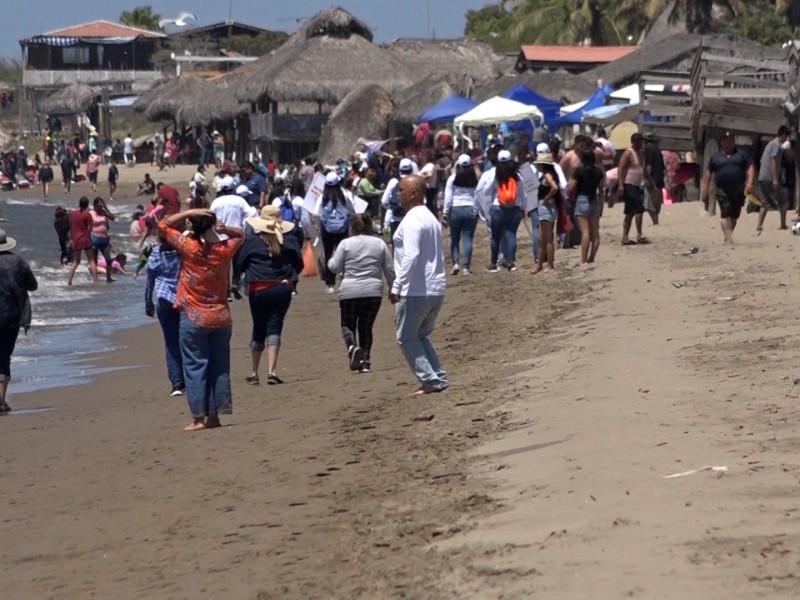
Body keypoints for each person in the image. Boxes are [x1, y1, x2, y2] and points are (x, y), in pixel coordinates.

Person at [159, 208, 244, 431]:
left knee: (196, 366)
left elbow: (163, 225)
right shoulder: (223, 250)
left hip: (194, 316)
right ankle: (215, 416)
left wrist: (190, 211)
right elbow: (241, 235)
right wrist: (225, 229)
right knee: (219, 367)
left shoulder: (190, 248)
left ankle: (199, 418)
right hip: (221, 316)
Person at [390, 174, 447, 395]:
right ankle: (437, 376)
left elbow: (411, 255)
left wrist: (398, 286)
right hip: (435, 287)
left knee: (406, 336)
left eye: (401, 190)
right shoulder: (430, 217)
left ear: (413, 193)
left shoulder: (413, 219)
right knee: (420, 335)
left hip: (417, 289)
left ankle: (430, 380)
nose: (399, 195)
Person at [237, 205, 303, 385]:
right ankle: (272, 371)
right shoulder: (289, 240)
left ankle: (254, 372)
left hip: (258, 288)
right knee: (275, 325)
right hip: (282, 287)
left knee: (258, 327)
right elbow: (299, 264)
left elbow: (241, 263)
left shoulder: (251, 241)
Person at [328, 213, 395, 373]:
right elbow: (390, 269)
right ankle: (365, 361)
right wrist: (393, 288)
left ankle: (352, 347)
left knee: (347, 324)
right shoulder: (379, 244)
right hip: (373, 291)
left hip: (349, 290)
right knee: (366, 327)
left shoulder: (345, 244)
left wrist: (330, 259)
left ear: (351, 227)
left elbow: (334, 267)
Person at [0, 229, 37, 413]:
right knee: (4, 356)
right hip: (11, 317)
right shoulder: (19, 262)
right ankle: (1, 399)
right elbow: (33, 285)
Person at [145, 229, 185, 396]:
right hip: (184, 299)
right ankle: (192, 379)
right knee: (188, 340)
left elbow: (149, 281)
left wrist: (148, 303)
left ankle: (177, 384)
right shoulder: (184, 253)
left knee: (171, 341)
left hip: (163, 300)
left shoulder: (155, 254)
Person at [701, 131, 756, 244]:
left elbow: (750, 167)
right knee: (725, 212)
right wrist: (705, 190)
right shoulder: (715, 157)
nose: (729, 142)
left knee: (734, 215)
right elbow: (708, 174)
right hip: (722, 189)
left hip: (738, 189)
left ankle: (728, 235)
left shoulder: (741, 154)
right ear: (721, 142)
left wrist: (750, 182)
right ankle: (728, 238)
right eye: (726, 140)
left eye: (731, 140)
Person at [210, 178, 258, 298]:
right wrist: (243, 225)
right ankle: (235, 283)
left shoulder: (216, 202)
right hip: (236, 236)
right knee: (237, 262)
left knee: (224, 264)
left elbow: (210, 217)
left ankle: (226, 291)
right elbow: (250, 213)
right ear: (233, 188)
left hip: (220, 237)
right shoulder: (239, 200)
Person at [483, 149, 526, 272]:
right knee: (511, 234)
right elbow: (523, 195)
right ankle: (511, 262)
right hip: (515, 208)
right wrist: (524, 208)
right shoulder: (517, 177)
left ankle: (493, 264)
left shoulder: (495, 175)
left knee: (495, 237)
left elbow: (486, 191)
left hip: (498, 208)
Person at [316, 172, 354, 293]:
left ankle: (330, 283)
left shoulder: (322, 197)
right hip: (342, 229)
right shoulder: (344, 195)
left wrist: (320, 225)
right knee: (342, 253)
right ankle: (343, 278)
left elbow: (316, 213)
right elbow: (352, 210)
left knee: (328, 254)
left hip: (326, 230)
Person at [442, 153, 479, 275]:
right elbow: (477, 197)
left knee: (454, 238)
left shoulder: (452, 179)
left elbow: (448, 198)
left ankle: (456, 263)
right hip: (469, 210)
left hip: (456, 211)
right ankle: (466, 268)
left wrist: (445, 213)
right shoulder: (474, 179)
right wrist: (477, 211)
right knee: (467, 238)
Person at [569, 149, 606, 265]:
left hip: (582, 199)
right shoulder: (599, 171)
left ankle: (583, 260)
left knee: (585, 232)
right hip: (594, 200)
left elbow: (571, 188)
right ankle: (592, 258)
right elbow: (601, 190)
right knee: (595, 232)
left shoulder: (579, 171)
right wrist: (601, 206)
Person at [756, 125, 790, 233]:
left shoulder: (769, 144)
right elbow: (773, 161)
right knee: (783, 200)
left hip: (762, 177)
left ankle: (759, 225)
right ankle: (783, 225)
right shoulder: (776, 145)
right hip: (769, 178)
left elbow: (761, 161)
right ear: (783, 135)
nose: (787, 139)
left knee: (765, 202)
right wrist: (775, 179)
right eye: (787, 137)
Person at [619, 133, 648, 246]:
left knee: (635, 211)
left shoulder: (641, 154)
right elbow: (620, 169)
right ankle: (630, 235)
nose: (641, 144)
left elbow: (643, 170)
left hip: (638, 185)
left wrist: (650, 183)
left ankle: (635, 235)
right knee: (634, 211)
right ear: (635, 142)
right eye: (640, 141)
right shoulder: (628, 153)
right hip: (629, 185)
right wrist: (621, 185)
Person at [534, 151, 560, 273]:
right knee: (541, 239)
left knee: (547, 239)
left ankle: (550, 265)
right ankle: (540, 265)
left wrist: (546, 198)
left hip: (545, 208)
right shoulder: (551, 174)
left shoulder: (547, 175)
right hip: (547, 207)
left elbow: (555, 187)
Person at [67, 196, 98, 285]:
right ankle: (95, 281)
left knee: (76, 261)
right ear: (87, 205)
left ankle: (69, 281)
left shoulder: (73, 214)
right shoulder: (87, 214)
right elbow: (90, 229)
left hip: (76, 239)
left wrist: (71, 238)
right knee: (91, 260)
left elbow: (72, 227)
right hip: (85, 238)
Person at [382, 158, 415, 236]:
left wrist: (392, 208)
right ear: (411, 170)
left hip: (395, 219)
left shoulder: (393, 181)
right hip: (412, 219)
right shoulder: (415, 182)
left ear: (399, 170)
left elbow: (384, 201)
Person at [90, 197, 116, 283]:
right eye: (98, 206)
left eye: (101, 206)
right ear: (94, 206)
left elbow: (113, 218)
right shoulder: (91, 214)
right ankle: (95, 279)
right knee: (94, 261)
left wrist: (105, 208)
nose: (99, 208)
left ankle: (108, 278)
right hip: (94, 240)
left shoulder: (104, 213)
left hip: (104, 241)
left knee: (108, 260)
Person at [643, 133, 665, 225]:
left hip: (652, 181)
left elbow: (649, 165)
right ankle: (656, 221)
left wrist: (648, 180)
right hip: (659, 180)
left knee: (648, 205)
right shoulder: (658, 151)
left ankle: (655, 222)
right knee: (655, 205)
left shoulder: (648, 149)